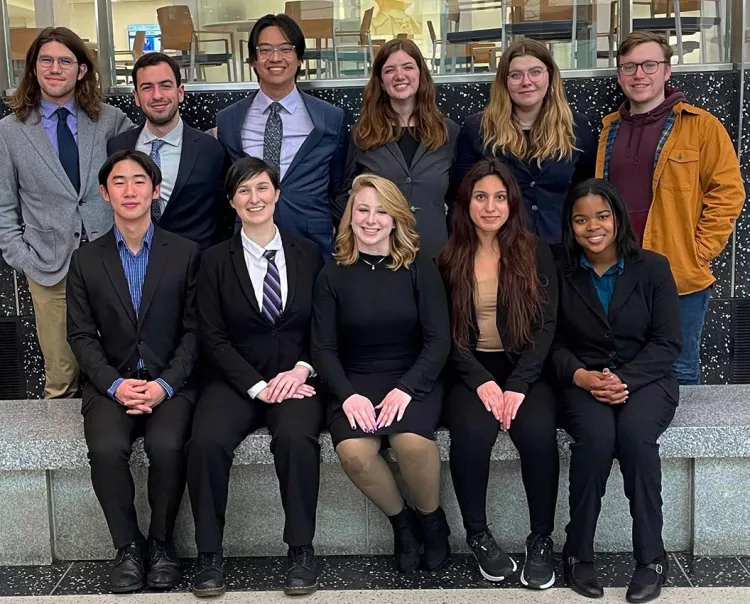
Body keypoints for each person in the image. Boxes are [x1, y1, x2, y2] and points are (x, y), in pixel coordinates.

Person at [187, 157, 325, 597]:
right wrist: (258, 386)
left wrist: (302, 368)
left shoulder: (307, 253)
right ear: (231, 201)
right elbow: (211, 335)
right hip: (235, 380)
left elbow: (323, 327)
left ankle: (301, 550)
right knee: (205, 442)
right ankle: (209, 554)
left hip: (296, 378)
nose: (255, 198)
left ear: (277, 193)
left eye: (262, 188)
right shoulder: (212, 261)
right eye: (243, 191)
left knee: (297, 439)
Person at [66, 150, 200, 593]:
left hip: (170, 384)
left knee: (166, 447)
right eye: (118, 182)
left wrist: (165, 384)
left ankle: (161, 545)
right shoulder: (86, 260)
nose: (129, 190)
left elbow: (196, 331)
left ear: (155, 190)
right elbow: (81, 336)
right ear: (105, 194)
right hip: (111, 385)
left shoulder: (184, 253)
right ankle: (127, 547)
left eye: (139, 181)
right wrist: (115, 384)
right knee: (105, 451)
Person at [312, 174, 451, 574]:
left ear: (396, 219)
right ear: (350, 217)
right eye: (363, 210)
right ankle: (402, 523)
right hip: (354, 381)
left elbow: (438, 340)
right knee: (355, 453)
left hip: (413, 377)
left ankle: (432, 519)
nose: (371, 220)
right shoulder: (332, 273)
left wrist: (407, 388)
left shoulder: (418, 268)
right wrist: (347, 394)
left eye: (382, 212)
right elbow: (323, 348)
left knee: (410, 442)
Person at [550, 179, 681, 603]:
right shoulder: (557, 269)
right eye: (581, 219)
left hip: (647, 379)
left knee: (635, 438)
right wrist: (584, 377)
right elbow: (548, 341)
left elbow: (667, 342)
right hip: (581, 380)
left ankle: (651, 558)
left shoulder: (653, 267)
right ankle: (577, 552)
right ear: (570, 226)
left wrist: (625, 379)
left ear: (618, 217)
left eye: (602, 216)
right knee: (597, 439)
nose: (593, 227)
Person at [437, 157, 558, 590]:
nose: (490, 206)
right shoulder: (448, 255)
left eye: (499, 197)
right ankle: (478, 535)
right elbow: (444, 333)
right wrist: (481, 380)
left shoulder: (533, 248)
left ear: (512, 201)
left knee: (539, 433)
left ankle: (541, 539)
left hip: (525, 366)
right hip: (470, 368)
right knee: (472, 434)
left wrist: (519, 384)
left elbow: (546, 324)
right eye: (480, 196)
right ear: (466, 202)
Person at [599, 31, 744, 385]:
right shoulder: (609, 130)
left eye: (650, 64)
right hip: (619, 272)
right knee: (622, 368)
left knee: (679, 369)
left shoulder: (701, 126)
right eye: (629, 67)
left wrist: (699, 251)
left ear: (667, 71)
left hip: (678, 274)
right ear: (619, 75)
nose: (639, 74)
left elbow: (728, 192)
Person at [0, 26, 133, 399]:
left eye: (64, 61)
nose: (55, 68)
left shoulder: (110, 121)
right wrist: (21, 256)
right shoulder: (9, 132)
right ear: (33, 68)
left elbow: (140, 172)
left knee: (120, 367)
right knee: (61, 379)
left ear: (82, 70)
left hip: (113, 262)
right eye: (46, 60)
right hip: (48, 267)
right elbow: (3, 204)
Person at [216, 13, 347, 255]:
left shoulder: (330, 118)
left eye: (286, 49)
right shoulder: (229, 120)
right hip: (248, 242)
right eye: (264, 50)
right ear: (253, 60)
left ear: (299, 59)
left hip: (313, 243)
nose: (275, 58)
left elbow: (339, 185)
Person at [454, 39, 596, 253]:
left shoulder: (576, 128)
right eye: (516, 75)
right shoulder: (478, 129)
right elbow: (462, 194)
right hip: (500, 250)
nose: (526, 81)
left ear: (550, 75)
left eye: (535, 72)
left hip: (564, 250)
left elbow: (587, 189)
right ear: (504, 81)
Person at [337, 38, 459, 259]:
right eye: (389, 70)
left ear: (421, 74)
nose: (399, 75)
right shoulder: (362, 135)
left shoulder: (448, 132)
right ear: (381, 82)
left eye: (408, 67)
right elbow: (344, 196)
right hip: (380, 257)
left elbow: (460, 196)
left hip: (437, 256)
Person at [108, 53, 227, 249]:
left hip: (197, 268)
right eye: (147, 87)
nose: (157, 95)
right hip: (135, 265)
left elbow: (223, 215)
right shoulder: (118, 147)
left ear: (180, 92)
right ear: (136, 97)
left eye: (165, 85)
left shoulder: (210, 149)